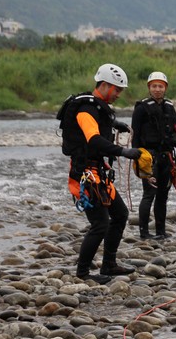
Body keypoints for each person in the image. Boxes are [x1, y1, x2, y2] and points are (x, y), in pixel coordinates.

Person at [59, 63, 141, 283]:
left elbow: (100, 121)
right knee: (100, 224)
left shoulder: (98, 106)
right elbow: (93, 139)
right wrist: (124, 151)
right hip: (86, 175)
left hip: (98, 173)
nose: (118, 95)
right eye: (116, 90)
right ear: (104, 85)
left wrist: (115, 123)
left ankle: (109, 264)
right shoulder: (86, 110)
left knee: (121, 214)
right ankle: (83, 273)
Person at [131, 71, 176, 239]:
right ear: (149, 88)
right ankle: (144, 233)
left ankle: (161, 232)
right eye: (154, 86)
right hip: (148, 158)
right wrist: (136, 159)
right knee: (149, 194)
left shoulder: (170, 107)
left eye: (160, 86)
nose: (157, 89)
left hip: (167, 158)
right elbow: (134, 137)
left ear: (165, 88)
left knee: (162, 197)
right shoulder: (141, 109)